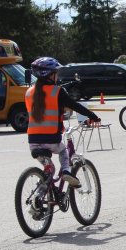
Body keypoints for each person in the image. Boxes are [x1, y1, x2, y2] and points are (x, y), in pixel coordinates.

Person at [25, 57, 100, 187]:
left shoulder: (29, 92)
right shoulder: (57, 91)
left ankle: (37, 199)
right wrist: (93, 116)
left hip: (33, 142)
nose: (57, 76)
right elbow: (75, 105)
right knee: (63, 151)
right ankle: (66, 170)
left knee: (50, 170)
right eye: (56, 73)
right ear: (50, 75)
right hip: (51, 139)